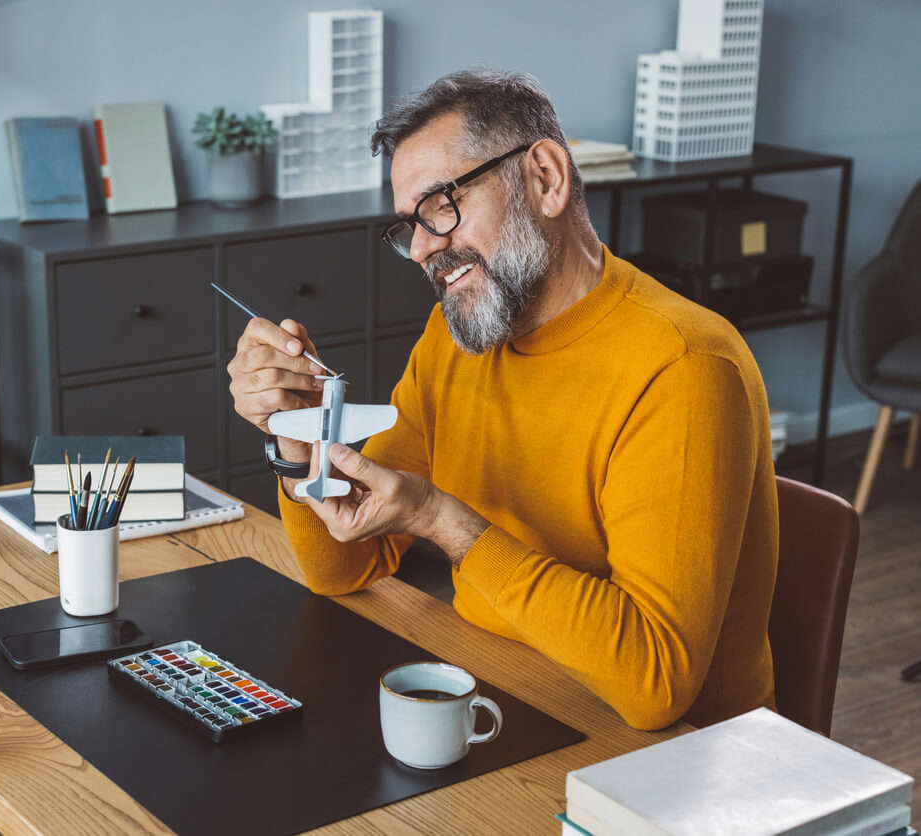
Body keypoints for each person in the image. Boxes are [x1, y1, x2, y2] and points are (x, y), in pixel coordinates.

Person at [226, 70, 778, 730]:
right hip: (500, 690)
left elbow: (653, 684)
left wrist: (442, 521)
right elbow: (344, 566)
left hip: (669, 762)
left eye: (440, 205)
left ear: (544, 177)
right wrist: (301, 436)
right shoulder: (458, 337)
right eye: (409, 226)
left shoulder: (681, 365)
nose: (423, 248)